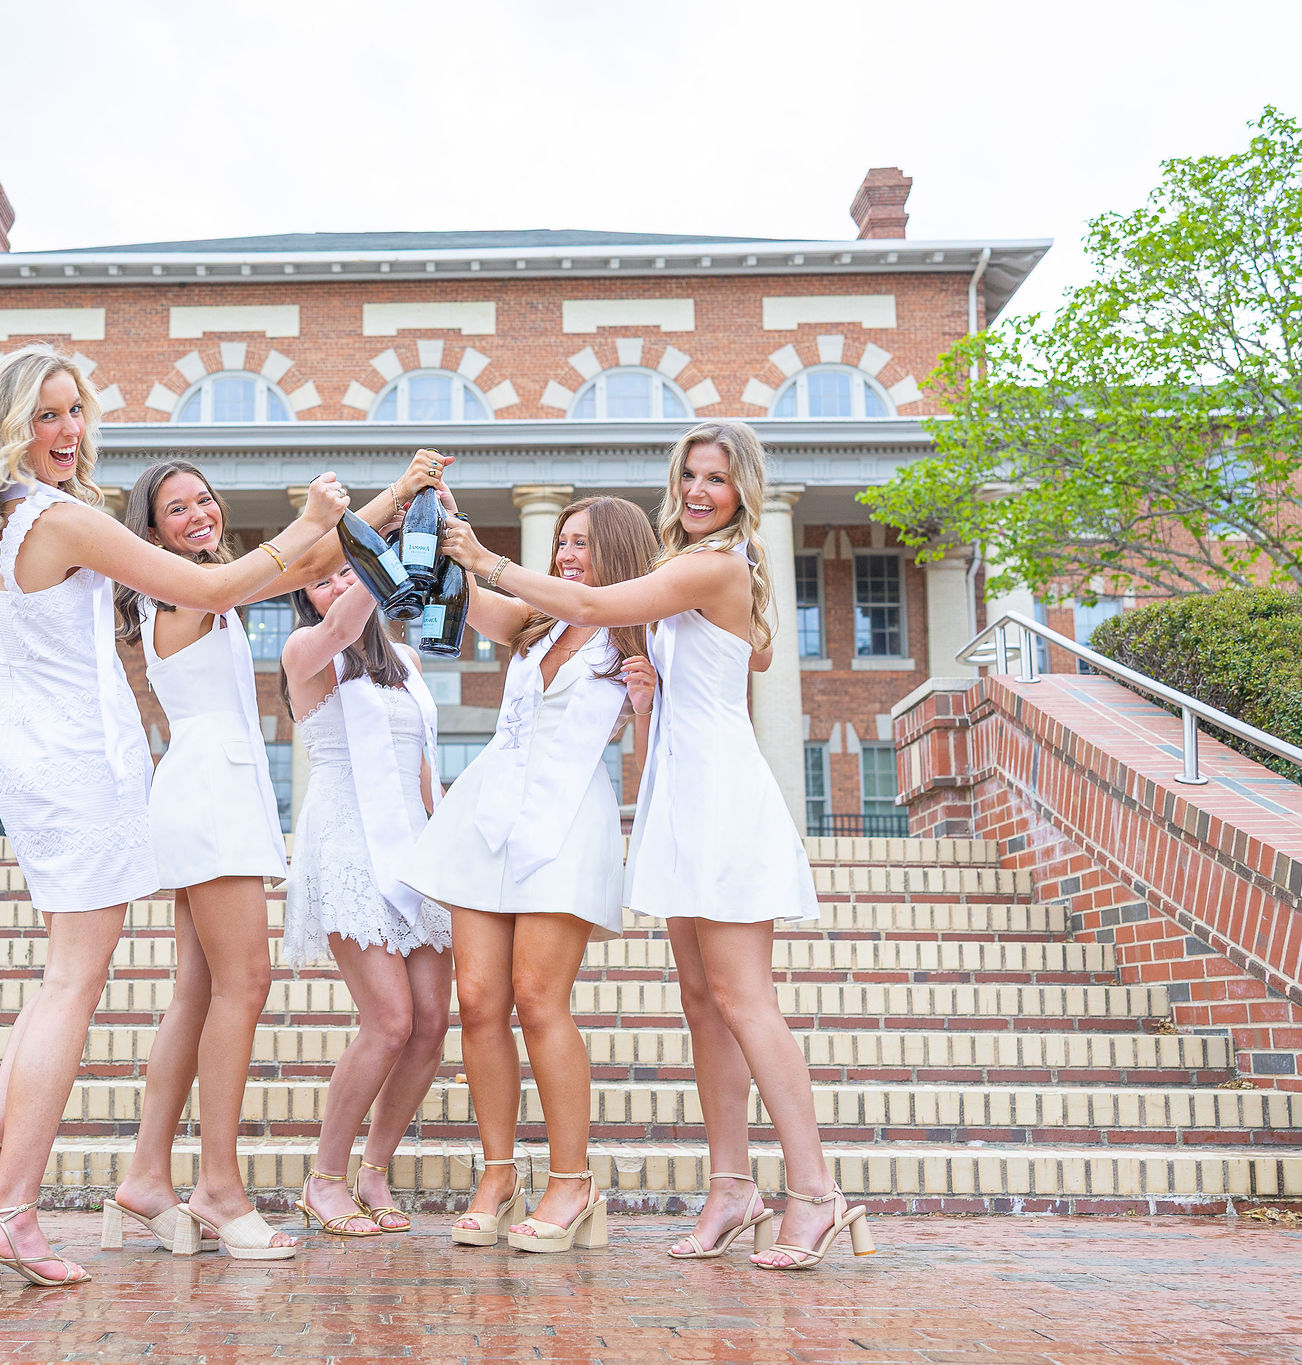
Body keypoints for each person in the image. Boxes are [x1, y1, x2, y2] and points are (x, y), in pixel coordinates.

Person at [0, 344, 350, 1291]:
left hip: (35, 760)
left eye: (74, 411)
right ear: (7, 425)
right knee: (74, 984)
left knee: (57, 978)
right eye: (44, 416)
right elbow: (201, 586)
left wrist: (34, 692)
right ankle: (13, 1214)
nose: (67, 431)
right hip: (85, 762)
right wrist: (313, 522)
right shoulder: (65, 518)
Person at [436, 421, 875, 1271]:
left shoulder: (714, 565)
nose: (701, 490)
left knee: (746, 999)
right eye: (690, 476)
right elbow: (683, 666)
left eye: (718, 477)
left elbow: (598, 605)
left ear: (745, 488)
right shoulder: (683, 576)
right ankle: (732, 1185)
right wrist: (646, 694)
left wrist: (489, 559)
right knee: (702, 1003)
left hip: (723, 795)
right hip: (675, 794)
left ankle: (816, 1190)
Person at [103, 453, 449, 1260]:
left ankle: (148, 1174)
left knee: (194, 993)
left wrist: (396, 503)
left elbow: (325, 560)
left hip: (214, 788)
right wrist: (358, 504)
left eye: (205, 500)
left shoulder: (208, 588)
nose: (198, 515)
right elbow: (302, 564)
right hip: (211, 791)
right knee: (244, 984)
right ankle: (218, 1190)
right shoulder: (185, 591)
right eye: (176, 509)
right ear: (150, 533)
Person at [400, 496, 657, 1255]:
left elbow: (662, 748)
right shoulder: (532, 620)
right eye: (563, 541)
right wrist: (443, 519)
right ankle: (499, 1174)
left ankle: (572, 1182)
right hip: (488, 818)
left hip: (566, 822)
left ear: (618, 550)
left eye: (584, 543)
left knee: (539, 998)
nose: (569, 554)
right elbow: (461, 582)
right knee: (478, 1001)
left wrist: (645, 707)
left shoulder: (637, 633)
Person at [277, 562, 453, 1239]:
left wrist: (445, 851)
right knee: (389, 1020)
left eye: (343, 572)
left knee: (431, 1023)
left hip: (414, 842)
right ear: (305, 597)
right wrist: (370, 569)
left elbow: (422, 763)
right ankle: (324, 1177)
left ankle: (374, 1167)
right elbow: (348, 620)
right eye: (318, 581)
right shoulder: (305, 650)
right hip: (348, 840)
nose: (333, 588)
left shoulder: (405, 660)